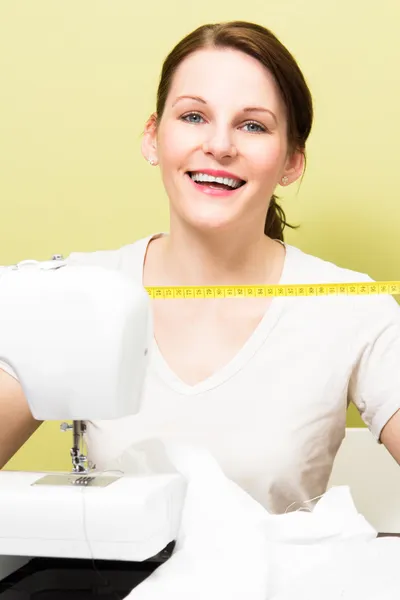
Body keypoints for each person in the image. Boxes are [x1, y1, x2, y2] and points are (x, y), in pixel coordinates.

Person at [1, 20, 400, 514]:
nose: (220, 145)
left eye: (252, 125)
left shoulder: (353, 307)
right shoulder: (80, 298)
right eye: (193, 116)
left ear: (292, 161)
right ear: (153, 137)